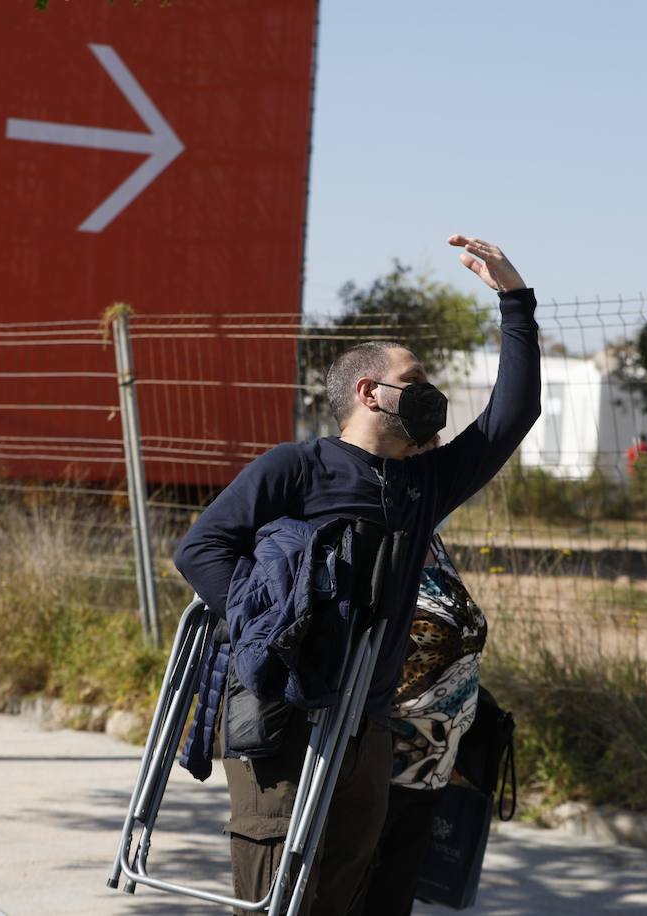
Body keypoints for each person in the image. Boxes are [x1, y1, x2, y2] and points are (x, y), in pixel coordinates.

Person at [173, 235, 541, 915]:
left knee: (346, 888)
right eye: (418, 381)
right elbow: (202, 551)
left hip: (366, 725)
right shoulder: (297, 467)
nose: (432, 396)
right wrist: (273, 630)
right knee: (280, 893)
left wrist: (515, 303)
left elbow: (511, 417)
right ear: (369, 392)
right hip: (280, 712)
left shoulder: (421, 484)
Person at [359, 491, 487, 916]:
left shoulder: (429, 538)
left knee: (393, 895)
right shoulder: (369, 536)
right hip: (378, 761)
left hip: (429, 769)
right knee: (355, 894)